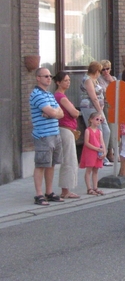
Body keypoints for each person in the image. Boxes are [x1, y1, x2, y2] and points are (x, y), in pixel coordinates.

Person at [30, 67, 65, 206]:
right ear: (38, 78)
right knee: (41, 165)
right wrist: (52, 112)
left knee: (51, 164)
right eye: (45, 76)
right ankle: (39, 194)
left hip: (55, 133)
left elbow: (60, 113)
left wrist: (52, 113)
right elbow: (52, 111)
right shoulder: (36, 94)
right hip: (43, 135)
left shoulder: (50, 95)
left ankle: (49, 192)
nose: (49, 78)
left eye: (50, 76)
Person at [53, 71, 80, 199]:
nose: (68, 82)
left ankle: (67, 189)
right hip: (65, 129)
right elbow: (74, 113)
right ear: (58, 82)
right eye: (65, 80)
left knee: (69, 159)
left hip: (65, 129)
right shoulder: (60, 97)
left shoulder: (59, 96)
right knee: (69, 160)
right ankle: (65, 190)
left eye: (69, 80)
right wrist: (77, 112)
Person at [80, 61, 111, 167]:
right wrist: (100, 111)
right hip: (91, 108)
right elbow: (93, 97)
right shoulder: (88, 80)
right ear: (96, 71)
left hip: (99, 108)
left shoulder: (95, 80)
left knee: (106, 131)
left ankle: (103, 154)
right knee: (99, 131)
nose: (101, 73)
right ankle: (98, 156)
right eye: (100, 70)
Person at [80, 112, 106, 196]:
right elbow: (86, 143)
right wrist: (96, 148)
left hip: (97, 152)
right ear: (91, 120)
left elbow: (102, 142)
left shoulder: (99, 132)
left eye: (100, 120)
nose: (98, 121)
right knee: (89, 170)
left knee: (96, 170)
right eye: (97, 119)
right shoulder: (88, 130)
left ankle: (95, 187)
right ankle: (89, 188)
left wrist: (104, 151)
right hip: (90, 152)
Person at [97, 59, 116, 161]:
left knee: (114, 129)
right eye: (103, 70)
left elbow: (118, 90)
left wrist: (111, 81)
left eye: (107, 69)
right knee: (108, 128)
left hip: (113, 105)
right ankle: (109, 151)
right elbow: (102, 93)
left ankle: (112, 150)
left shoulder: (113, 78)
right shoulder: (99, 80)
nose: (105, 72)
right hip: (105, 105)